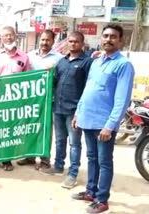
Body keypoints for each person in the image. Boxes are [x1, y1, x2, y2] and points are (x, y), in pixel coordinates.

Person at [71, 24, 134, 213]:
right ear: (101, 39)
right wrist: (78, 113)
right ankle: (91, 191)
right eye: (105, 36)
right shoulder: (96, 62)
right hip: (87, 118)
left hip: (104, 123)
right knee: (91, 157)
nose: (108, 39)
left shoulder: (123, 65)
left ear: (121, 40)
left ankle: (102, 200)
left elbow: (122, 100)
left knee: (104, 161)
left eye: (113, 36)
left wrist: (110, 126)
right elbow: (87, 90)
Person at [41, 32, 93, 189]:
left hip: (74, 110)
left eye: (76, 41)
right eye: (70, 41)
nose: (73, 44)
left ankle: (72, 174)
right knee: (59, 140)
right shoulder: (62, 62)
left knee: (74, 143)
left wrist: (80, 110)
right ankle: (58, 166)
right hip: (58, 107)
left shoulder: (86, 62)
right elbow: (55, 82)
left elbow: (88, 87)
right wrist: (48, 73)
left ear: (82, 43)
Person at [17, 29, 63, 171]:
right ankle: (30, 156)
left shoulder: (59, 58)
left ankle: (44, 160)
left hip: (48, 100)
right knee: (30, 128)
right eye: (42, 39)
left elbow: (60, 79)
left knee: (45, 130)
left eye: (48, 40)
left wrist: (52, 74)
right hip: (31, 100)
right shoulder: (29, 56)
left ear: (53, 41)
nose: (44, 42)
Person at [0, 26, 29, 171]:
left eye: (11, 35)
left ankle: (6, 159)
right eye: (5, 36)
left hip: (13, 102)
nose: (8, 38)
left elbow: (28, 79)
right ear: (1, 38)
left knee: (9, 131)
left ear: (15, 36)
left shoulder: (24, 57)